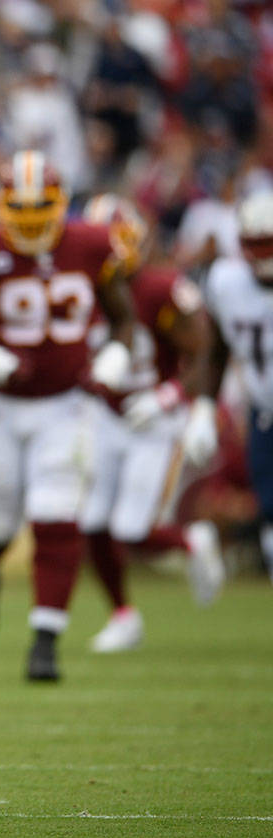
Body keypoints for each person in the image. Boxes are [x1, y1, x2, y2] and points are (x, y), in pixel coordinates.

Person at [0, 150, 137, 681]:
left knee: (55, 513)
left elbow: (124, 320)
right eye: (16, 209)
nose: (27, 221)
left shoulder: (92, 244)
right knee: (0, 522)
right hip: (2, 407)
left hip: (67, 405)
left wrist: (113, 357)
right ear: (0, 206)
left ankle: (45, 639)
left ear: (61, 203)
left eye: (38, 208)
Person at [77, 195, 225, 653]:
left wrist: (169, 398)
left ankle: (192, 542)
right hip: (109, 417)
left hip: (155, 422)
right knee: (93, 522)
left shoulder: (161, 288)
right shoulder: (81, 291)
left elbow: (203, 352)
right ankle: (123, 615)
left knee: (132, 529)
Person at [190, 190, 273, 580]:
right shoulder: (225, 281)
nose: (264, 254)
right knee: (270, 513)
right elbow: (217, 349)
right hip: (264, 411)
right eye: (256, 244)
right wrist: (205, 409)